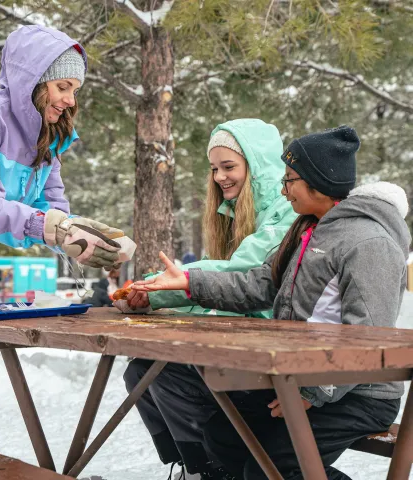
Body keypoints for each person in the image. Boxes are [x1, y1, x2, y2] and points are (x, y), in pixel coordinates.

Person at [133, 126, 411, 480]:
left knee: (278, 465)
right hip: (303, 378)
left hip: (359, 393)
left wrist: (314, 392)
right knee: (223, 439)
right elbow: (259, 285)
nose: (283, 189)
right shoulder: (309, 228)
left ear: (318, 180)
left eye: (290, 180)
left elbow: (368, 336)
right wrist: (190, 284)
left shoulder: (367, 241)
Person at [0, 25, 125, 451]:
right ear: (33, 82)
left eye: (74, 89)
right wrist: (50, 226)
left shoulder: (47, 138)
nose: (70, 99)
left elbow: (54, 208)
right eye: (62, 86)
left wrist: (83, 240)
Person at [123, 119, 297, 477]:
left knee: (166, 374)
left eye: (229, 166)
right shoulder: (239, 215)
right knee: (142, 369)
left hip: (284, 351)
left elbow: (237, 273)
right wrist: (154, 297)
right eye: (215, 168)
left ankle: (211, 469)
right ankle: (194, 466)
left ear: (258, 166)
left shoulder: (285, 215)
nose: (219, 176)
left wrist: (161, 286)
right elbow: (218, 286)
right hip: (251, 341)